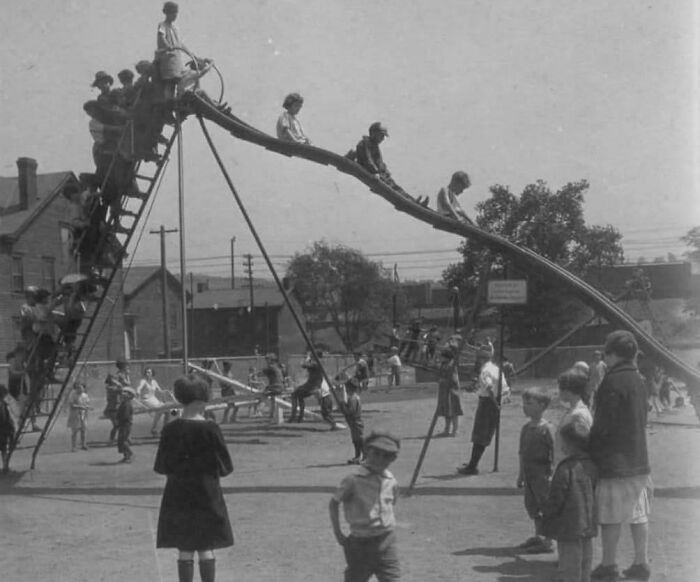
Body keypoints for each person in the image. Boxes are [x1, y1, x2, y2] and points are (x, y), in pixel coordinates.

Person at [154, 374, 234, 582]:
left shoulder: (170, 429)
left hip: (178, 495)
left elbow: (161, 467)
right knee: (206, 547)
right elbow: (226, 467)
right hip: (207, 494)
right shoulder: (211, 428)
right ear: (201, 401)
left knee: (185, 548)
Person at [589, 330, 652, 582]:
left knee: (611, 514)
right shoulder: (639, 379)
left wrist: (591, 447)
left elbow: (604, 424)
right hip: (638, 456)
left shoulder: (612, 381)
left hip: (615, 460)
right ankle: (641, 562)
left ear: (611, 354)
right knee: (638, 513)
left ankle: (609, 564)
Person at [329, 430, 401, 582]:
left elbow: (392, 502)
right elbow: (334, 502)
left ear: (393, 459)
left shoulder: (391, 481)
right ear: (367, 451)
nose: (380, 459)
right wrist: (338, 533)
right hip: (360, 542)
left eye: (387, 456)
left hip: (386, 540)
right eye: (376, 453)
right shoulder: (353, 480)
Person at [541, 421, 598, 582]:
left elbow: (556, 497)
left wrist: (547, 513)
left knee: (568, 566)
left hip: (568, 526)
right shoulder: (592, 465)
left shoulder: (565, 468)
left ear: (568, 444)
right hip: (588, 524)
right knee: (585, 564)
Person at [516, 387, 555, 554]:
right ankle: (538, 535)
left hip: (543, 473)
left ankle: (548, 540)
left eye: (529, 403)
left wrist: (552, 474)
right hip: (529, 473)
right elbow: (521, 453)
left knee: (545, 505)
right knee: (532, 505)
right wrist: (520, 474)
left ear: (541, 405)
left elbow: (554, 453)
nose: (525, 407)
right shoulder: (525, 428)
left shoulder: (547, 429)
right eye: (524, 403)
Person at [458, 347, 509, 475]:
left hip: (488, 402)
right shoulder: (497, 369)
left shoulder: (485, 371)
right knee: (485, 434)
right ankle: (473, 462)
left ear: (481, 359)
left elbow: (489, 388)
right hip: (496, 400)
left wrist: (495, 403)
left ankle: (472, 466)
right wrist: (501, 401)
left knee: (480, 435)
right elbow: (506, 388)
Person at [555, 368, 593, 465]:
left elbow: (580, 446)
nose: (558, 391)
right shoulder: (572, 411)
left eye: (560, 388)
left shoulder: (578, 415)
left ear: (568, 390)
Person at [156, 1, 190, 100]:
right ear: (166, 13)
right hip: (167, 59)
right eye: (172, 13)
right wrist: (168, 46)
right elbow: (161, 36)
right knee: (170, 82)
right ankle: (168, 104)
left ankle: (177, 101)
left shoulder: (175, 28)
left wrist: (189, 52)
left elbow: (180, 43)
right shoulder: (162, 25)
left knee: (178, 81)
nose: (175, 15)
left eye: (176, 13)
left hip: (176, 59)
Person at [288, 351, 324, 423]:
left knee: (294, 394)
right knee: (299, 395)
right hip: (312, 384)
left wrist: (307, 358)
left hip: (312, 386)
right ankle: (300, 417)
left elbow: (304, 365)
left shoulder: (315, 362)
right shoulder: (317, 362)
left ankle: (294, 416)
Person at [137, 367, 175, 435]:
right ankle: (155, 429)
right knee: (161, 409)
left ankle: (164, 428)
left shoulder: (154, 382)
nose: (147, 374)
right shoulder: (143, 381)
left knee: (166, 411)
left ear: (152, 374)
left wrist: (167, 391)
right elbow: (139, 388)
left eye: (149, 372)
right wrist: (138, 392)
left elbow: (160, 391)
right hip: (146, 400)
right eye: (146, 372)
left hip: (153, 399)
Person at [436, 349, 463, 437]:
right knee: (446, 411)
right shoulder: (443, 365)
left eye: (442, 356)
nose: (441, 358)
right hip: (444, 391)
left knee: (454, 411)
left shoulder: (452, 366)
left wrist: (443, 381)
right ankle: (446, 429)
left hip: (452, 391)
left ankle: (455, 430)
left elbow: (454, 380)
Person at [104, 359, 131, 443]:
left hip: (118, 407)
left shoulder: (116, 386)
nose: (115, 380)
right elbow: (119, 389)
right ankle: (112, 439)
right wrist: (120, 385)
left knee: (125, 423)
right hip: (111, 409)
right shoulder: (110, 388)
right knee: (117, 425)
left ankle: (126, 439)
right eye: (113, 380)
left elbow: (124, 388)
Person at [340, 378, 364, 464]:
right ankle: (357, 456)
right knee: (355, 440)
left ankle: (365, 457)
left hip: (356, 422)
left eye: (346, 388)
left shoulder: (353, 398)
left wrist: (343, 406)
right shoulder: (353, 398)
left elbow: (351, 411)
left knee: (360, 440)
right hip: (353, 422)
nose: (346, 390)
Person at [259, 353, 285, 421]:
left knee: (262, 396)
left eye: (267, 359)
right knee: (273, 399)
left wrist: (255, 374)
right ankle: (271, 415)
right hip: (280, 387)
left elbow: (261, 374)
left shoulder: (271, 367)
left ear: (271, 360)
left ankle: (259, 410)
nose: (266, 361)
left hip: (275, 387)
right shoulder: (276, 367)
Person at [66, 382, 90, 452]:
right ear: (76, 388)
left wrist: (87, 407)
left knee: (83, 431)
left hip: (83, 415)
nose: (81, 389)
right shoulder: (72, 395)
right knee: (75, 432)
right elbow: (72, 405)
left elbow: (87, 404)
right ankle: (73, 447)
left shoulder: (85, 395)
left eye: (81, 387)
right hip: (75, 415)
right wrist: (81, 407)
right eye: (79, 388)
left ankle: (83, 445)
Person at [116, 386, 135, 463]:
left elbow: (125, 416)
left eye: (125, 393)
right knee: (121, 440)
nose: (123, 394)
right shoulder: (124, 403)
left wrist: (119, 421)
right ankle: (126, 457)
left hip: (125, 425)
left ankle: (130, 454)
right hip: (123, 424)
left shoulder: (127, 404)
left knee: (123, 441)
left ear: (129, 396)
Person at [0, 384, 15, 474]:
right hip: (3, 430)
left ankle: (5, 466)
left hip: (3, 429)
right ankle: (5, 467)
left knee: (3, 449)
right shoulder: (2, 405)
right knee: (4, 449)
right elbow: (4, 418)